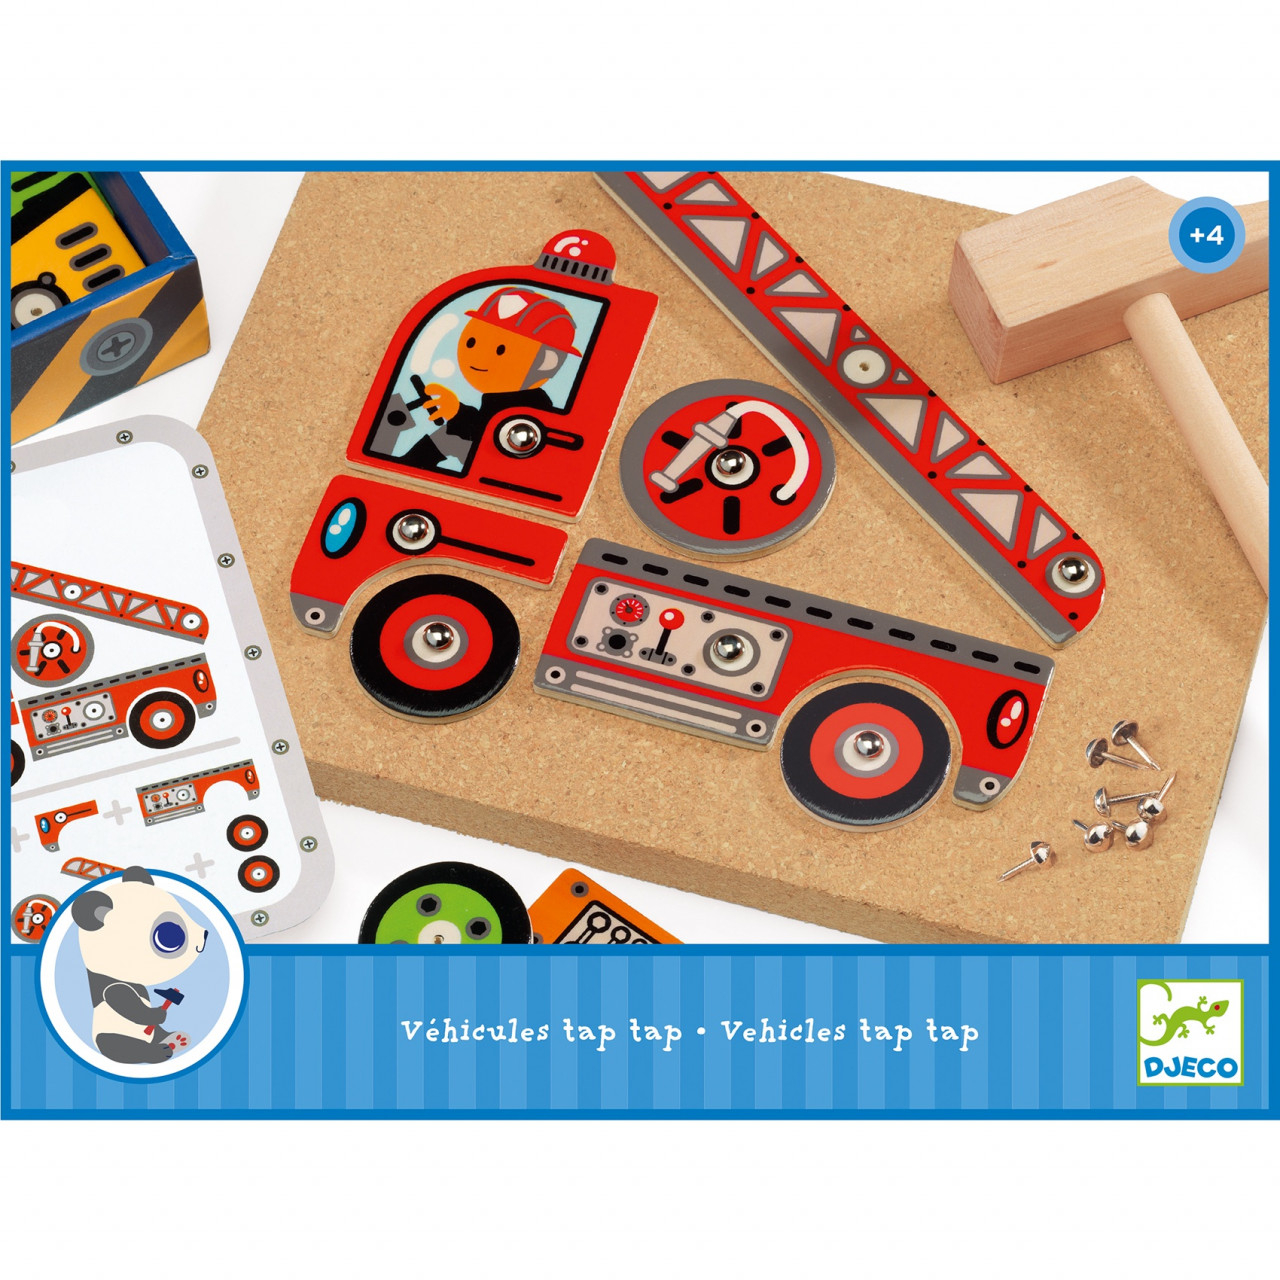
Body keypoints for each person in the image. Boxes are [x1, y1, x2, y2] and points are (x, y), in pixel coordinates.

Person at [399, 286, 581, 472]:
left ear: (545, 363)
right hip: (484, 459)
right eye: (471, 343)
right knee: (450, 434)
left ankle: (408, 464)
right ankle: (407, 464)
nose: (478, 358)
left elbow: (488, 437)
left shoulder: (532, 405)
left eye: (500, 350)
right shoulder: (499, 398)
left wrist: (458, 412)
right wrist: (457, 410)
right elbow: (480, 425)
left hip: (501, 468)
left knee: (450, 434)